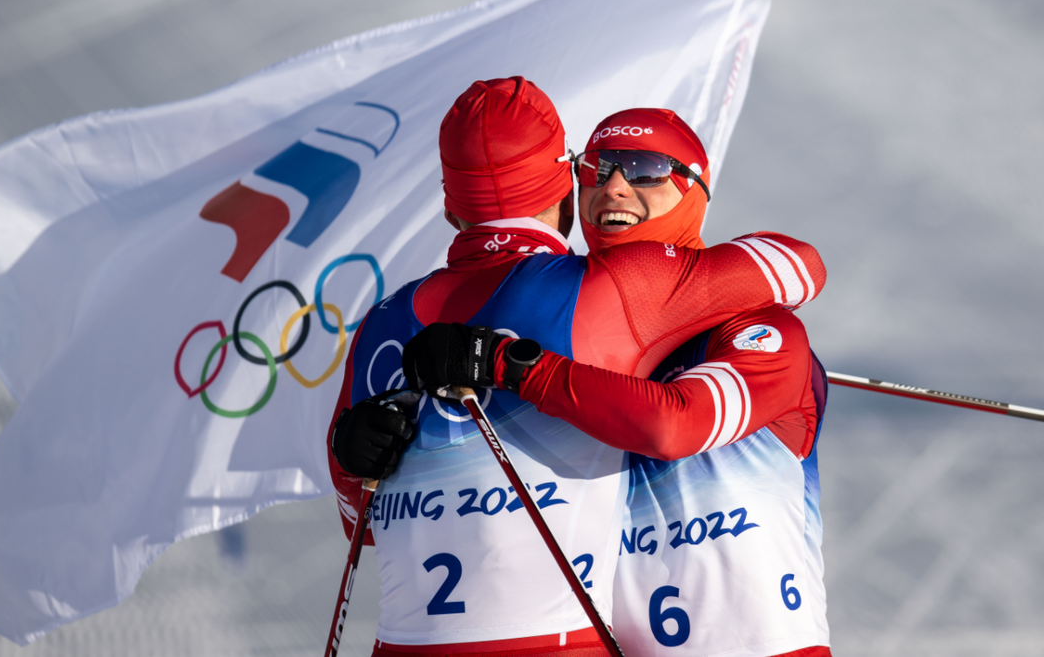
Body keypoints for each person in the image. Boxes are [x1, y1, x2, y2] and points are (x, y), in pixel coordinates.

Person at [328, 78, 826, 657]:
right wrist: (356, 455)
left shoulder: (757, 327)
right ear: (568, 184)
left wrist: (511, 365)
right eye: (598, 167)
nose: (615, 185)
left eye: (645, 169)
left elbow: (675, 425)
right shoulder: (597, 294)